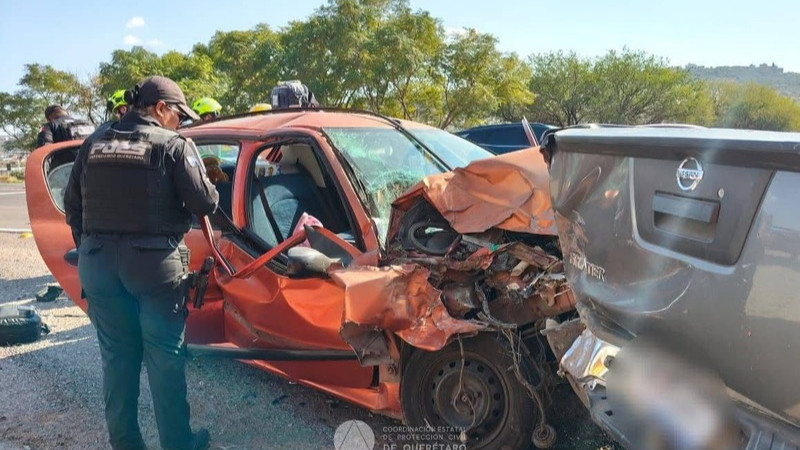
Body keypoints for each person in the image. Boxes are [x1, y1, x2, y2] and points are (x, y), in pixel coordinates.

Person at [63, 75, 217, 450]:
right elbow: (205, 204)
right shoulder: (174, 146)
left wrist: (90, 249)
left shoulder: (94, 142)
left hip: (98, 266)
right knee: (165, 359)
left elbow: (72, 206)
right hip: (154, 270)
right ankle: (179, 444)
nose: (180, 122)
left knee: (118, 360)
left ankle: (126, 443)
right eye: (178, 114)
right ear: (160, 108)